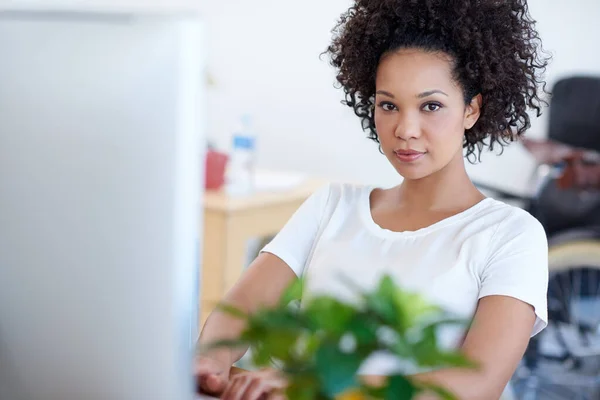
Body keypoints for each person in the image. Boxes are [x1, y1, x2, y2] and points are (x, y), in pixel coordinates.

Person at [195, 0, 550, 398]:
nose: (405, 129)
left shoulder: (511, 234)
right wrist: (211, 363)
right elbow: (241, 310)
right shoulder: (332, 204)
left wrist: (312, 388)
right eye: (389, 105)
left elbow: (475, 386)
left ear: (471, 109)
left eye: (430, 106)